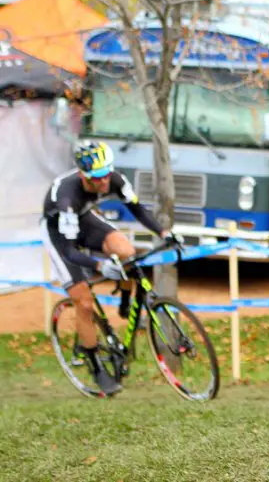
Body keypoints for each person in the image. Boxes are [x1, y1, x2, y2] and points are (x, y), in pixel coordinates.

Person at [41, 141, 174, 396]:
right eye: (97, 178)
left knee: (126, 251)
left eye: (107, 175)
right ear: (83, 175)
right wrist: (100, 265)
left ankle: (126, 301)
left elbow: (138, 209)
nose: (104, 183)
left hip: (86, 219)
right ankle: (95, 367)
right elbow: (70, 251)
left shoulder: (114, 179)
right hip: (59, 234)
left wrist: (164, 232)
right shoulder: (67, 197)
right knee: (85, 303)